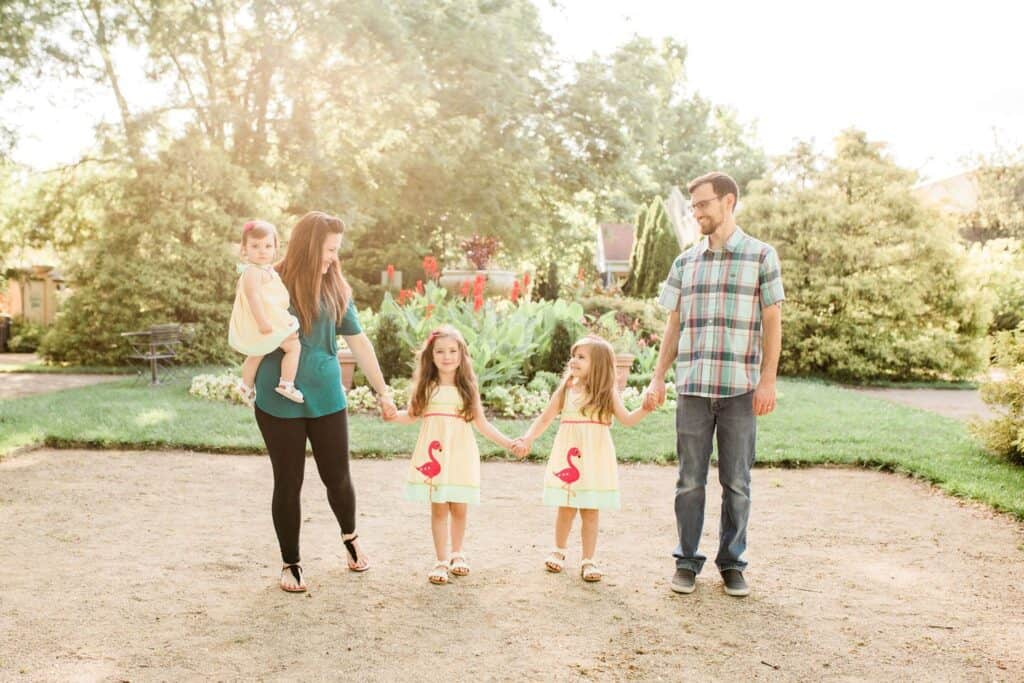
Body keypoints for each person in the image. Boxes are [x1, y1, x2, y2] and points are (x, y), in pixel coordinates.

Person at [643, 171, 784, 598]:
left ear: (728, 202)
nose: (697, 212)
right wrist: (657, 377)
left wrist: (768, 381)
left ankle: (732, 563)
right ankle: (686, 561)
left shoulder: (761, 256)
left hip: (741, 390)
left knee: (737, 483)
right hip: (694, 390)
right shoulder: (685, 262)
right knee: (689, 481)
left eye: (703, 204)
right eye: (694, 206)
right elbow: (674, 325)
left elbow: (773, 321)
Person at [252, 211, 398, 593]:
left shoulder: (336, 288)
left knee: (337, 476)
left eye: (337, 251)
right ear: (309, 245)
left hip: (328, 397)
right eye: (329, 249)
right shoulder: (272, 281)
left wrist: (383, 392)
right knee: (288, 481)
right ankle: (291, 563)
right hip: (278, 399)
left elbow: (360, 342)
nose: (333, 257)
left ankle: (350, 538)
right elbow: (249, 327)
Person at [385, 325, 519, 585]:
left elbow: (481, 423)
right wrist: (392, 416)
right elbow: (411, 416)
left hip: (460, 454)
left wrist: (508, 443)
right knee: (438, 509)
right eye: (440, 351)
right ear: (431, 356)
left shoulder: (467, 387)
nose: (447, 356)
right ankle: (441, 560)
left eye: (452, 351)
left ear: (461, 354)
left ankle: (458, 553)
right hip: (434, 454)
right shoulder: (427, 387)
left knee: (459, 507)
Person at [513, 335, 652, 582]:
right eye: (573, 356)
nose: (573, 360)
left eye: (581, 357)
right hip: (570, 453)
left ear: (597, 364)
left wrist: (645, 409)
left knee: (590, 509)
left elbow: (628, 420)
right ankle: (558, 550)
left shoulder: (606, 393)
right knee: (566, 506)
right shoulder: (566, 390)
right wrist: (528, 438)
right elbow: (545, 418)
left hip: (595, 457)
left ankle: (588, 559)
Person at [228, 220, 303, 405]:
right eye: (255, 246)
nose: (262, 251)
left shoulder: (266, 269)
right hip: (265, 321)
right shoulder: (252, 271)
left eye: (268, 246)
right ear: (244, 249)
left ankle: (246, 386)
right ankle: (286, 383)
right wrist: (262, 322)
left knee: (257, 352)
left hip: (271, 317)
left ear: (275, 248)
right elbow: (252, 297)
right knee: (293, 345)